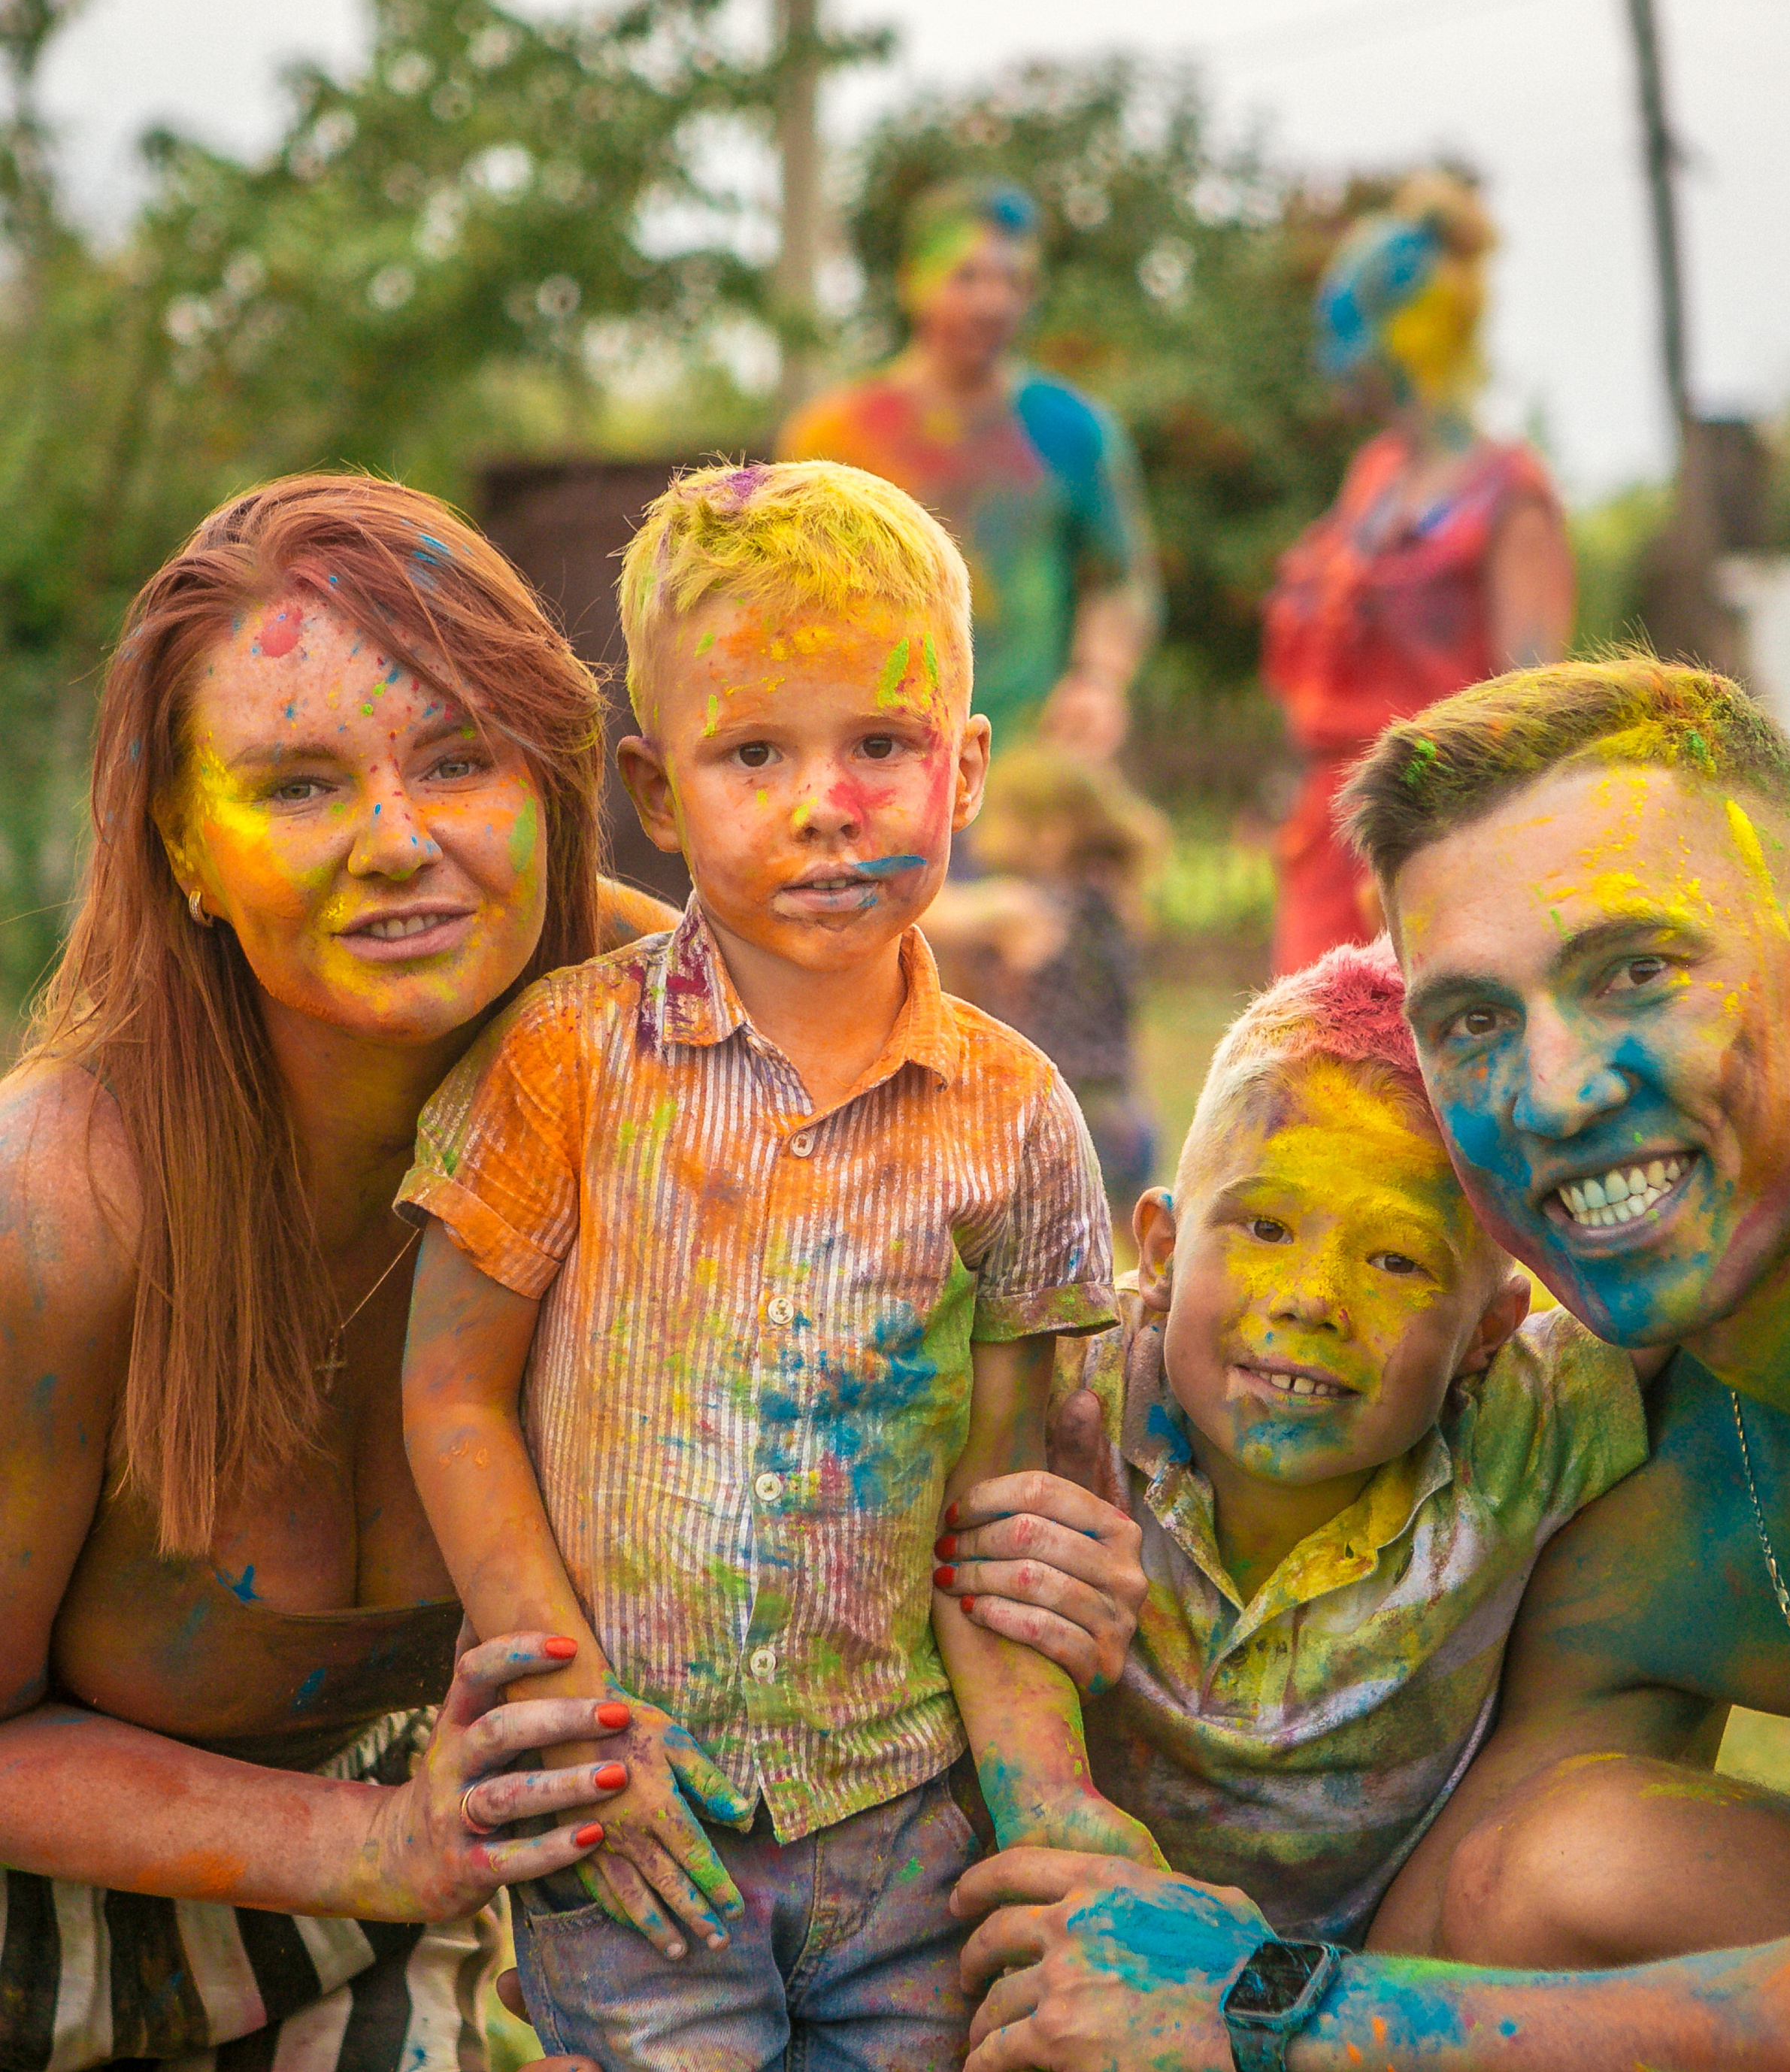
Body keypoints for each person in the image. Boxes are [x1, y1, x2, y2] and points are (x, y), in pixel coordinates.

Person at [952, 655, 1790, 2070]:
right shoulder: (1629, 1489)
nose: (1555, 1093)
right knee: (1546, 1862)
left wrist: (1257, 2002)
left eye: (1638, 971)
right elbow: (1460, 1940)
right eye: (1473, 1020)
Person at [398, 459, 1161, 2072]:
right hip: (642, 1825)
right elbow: (452, 1395)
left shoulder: (1016, 1118)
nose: (827, 803)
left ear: (964, 769)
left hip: (905, 1831)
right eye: (755, 751)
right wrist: (578, 1729)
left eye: (881, 744)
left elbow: (996, 1511)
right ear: (657, 791)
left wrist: (1046, 1801)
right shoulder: (565, 1062)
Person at [0, 473, 695, 2072]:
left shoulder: (662, 1049)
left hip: (363, 1948)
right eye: (300, 785)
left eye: (457, 760)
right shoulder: (59, 1206)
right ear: (185, 844)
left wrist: (1029, 1506)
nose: (400, 843)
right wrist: (376, 1843)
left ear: (550, 782)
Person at [1043, 936, 1655, 1942]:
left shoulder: (1524, 1426)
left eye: (1396, 1261)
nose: (1313, 1300)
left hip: (1378, 1992)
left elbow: (1751, 1251)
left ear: (1488, 1333)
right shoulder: (1065, 1389)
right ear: (1159, 1250)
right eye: (1265, 1228)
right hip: (1071, 1954)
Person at [1261, 170, 1574, 973]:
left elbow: (1529, 713)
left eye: (1347, 327)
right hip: (1326, 836)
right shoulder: (1374, 475)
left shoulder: (1510, 495)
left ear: (1413, 332)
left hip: (1428, 839)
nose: (1329, 356)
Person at [778, 178, 1159, 766]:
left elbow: (1120, 579)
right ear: (911, 280)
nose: (993, 303)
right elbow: (786, 601)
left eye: (1015, 281)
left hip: (1030, 764)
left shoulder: (1074, 432)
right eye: (967, 277)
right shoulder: (833, 437)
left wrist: (1098, 679)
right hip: (874, 764)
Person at [941, 742, 1168, 1214]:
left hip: (1060, 1120)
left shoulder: (1026, 909)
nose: (979, 828)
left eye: (999, 815)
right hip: (1124, 1112)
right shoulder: (1112, 903)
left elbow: (927, 917)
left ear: (1049, 832)